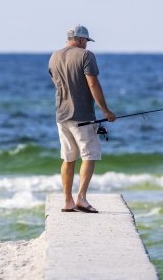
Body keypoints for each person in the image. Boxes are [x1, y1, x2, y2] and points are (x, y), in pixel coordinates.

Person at [48, 24, 116, 213]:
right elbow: (92, 83)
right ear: (80, 39)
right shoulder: (86, 56)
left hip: (61, 115)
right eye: (86, 40)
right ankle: (81, 199)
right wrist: (106, 111)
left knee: (68, 158)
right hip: (82, 115)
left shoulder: (54, 56)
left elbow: (57, 82)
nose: (86, 44)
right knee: (89, 155)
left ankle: (68, 201)